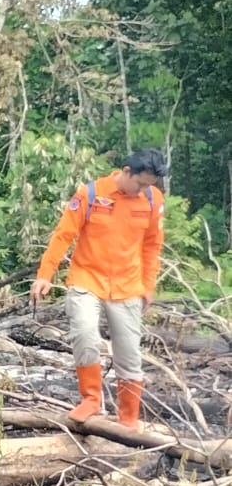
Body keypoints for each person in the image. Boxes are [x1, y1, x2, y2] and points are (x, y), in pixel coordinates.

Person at [29, 149, 166, 428]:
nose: (142, 190)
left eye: (148, 185)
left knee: (129, 353)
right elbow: (63, 235)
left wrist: (148, 284)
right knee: (84, 333)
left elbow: (152, 245)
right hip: (86, 278)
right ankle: (90, 399)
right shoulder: (90, 194)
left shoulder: (152, 200)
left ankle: (128, 420)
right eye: (139, 183)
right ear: (126, 171)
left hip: (127, 285)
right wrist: (45, 275)